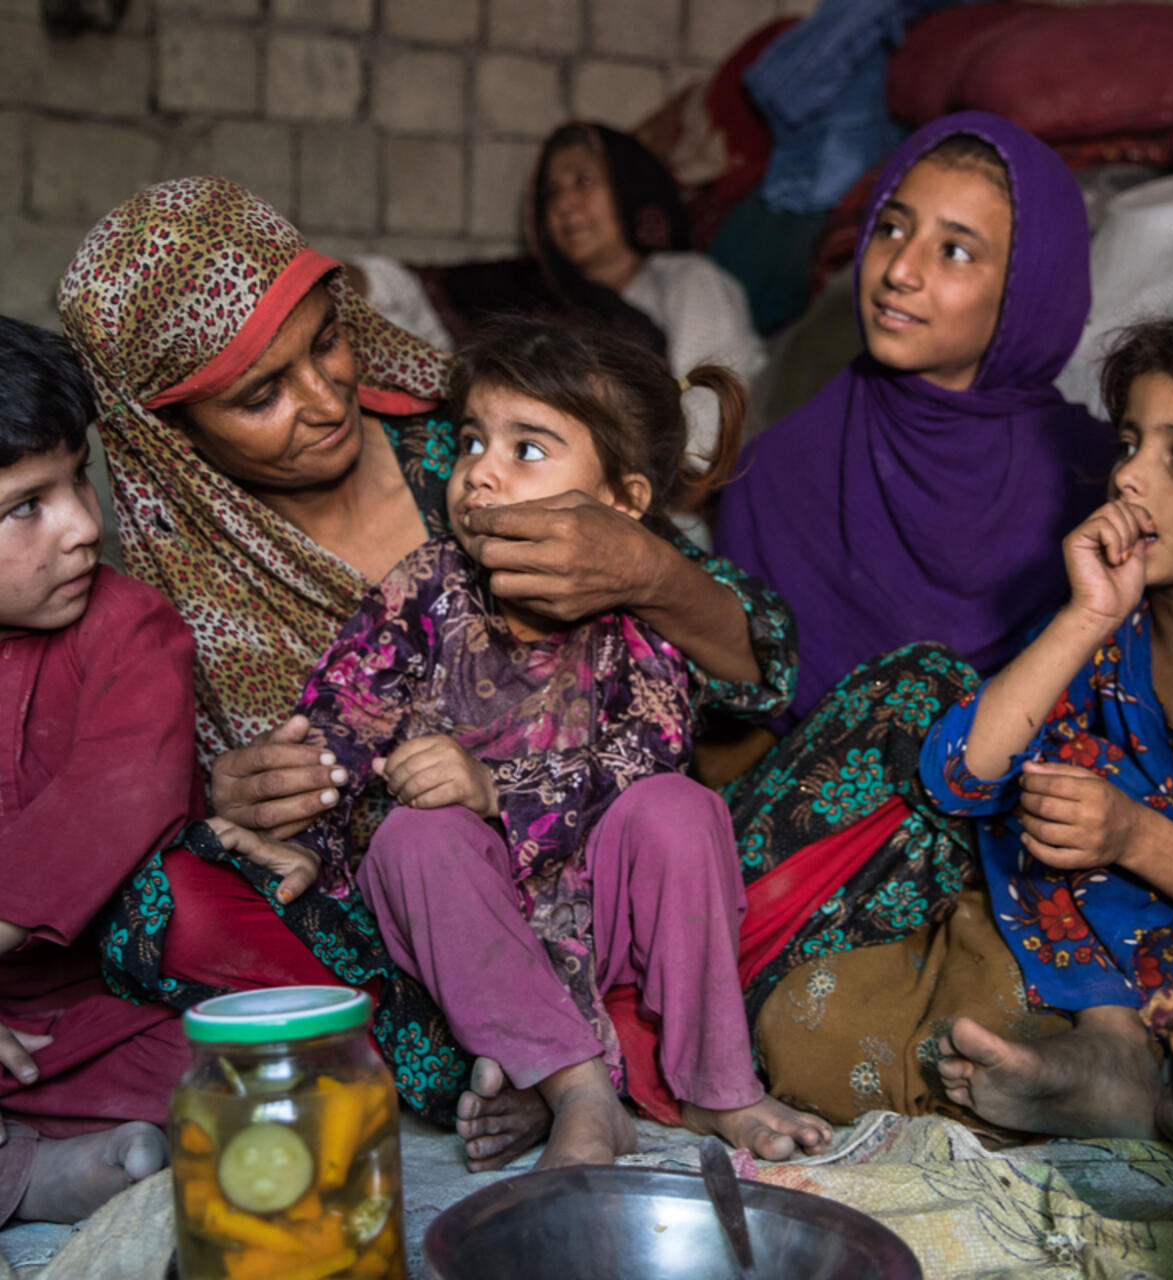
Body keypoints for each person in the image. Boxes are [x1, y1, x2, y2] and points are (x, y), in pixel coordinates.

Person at [56, 177, 797, 1169]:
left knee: (694, 808)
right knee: (192, 892)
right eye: (260, 393)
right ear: (169, 430)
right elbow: (345, 715)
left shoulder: (479, 440)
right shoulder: (280, 580)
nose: (325, 397)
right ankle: (563, 1068)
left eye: (326, 340)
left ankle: (656, 1072)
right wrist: (261, 819)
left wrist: (647, 574)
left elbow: (703, 708)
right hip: (433, 904)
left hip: (614, 873)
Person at [258, 317, 830, 1168]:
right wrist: (298, 826)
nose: (480, 471)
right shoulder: (425, 589)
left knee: (679, 808)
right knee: (415, 838)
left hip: (605, 916)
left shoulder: (639, 611)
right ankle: (580, 1094)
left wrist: (496, 791)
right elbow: (343, 715)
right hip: (471, 930)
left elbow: (645, 754)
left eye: (528, 449)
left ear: (625, 504)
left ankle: (720, 1086)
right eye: (472, 441)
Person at [922, 294, 1173, 1137]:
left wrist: (1136, 839)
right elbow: (959, 775)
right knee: (1042, 759)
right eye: (1130, 442)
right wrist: (1086, 616)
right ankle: (1114, 1051)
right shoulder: (1114, 631)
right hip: (1126, 977)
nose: (1127, 477)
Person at [715, 111, 1113, 731]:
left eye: (955, 251)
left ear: (1030, 287)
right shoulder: (773, 476)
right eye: (891, 229)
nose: (899, 271)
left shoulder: (1098, 481)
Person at [0, 316, 190, 1224]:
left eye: (79, 476)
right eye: (25, 506)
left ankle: (40, 1165)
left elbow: (117, 797)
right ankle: (32, 1177)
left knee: (234, 1077)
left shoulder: (131, 628)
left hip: (96, 1017)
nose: (85, 525)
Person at [352, 121, 766, 483]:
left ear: (628, 188)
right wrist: (342, 279)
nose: (565, 204)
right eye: (552, 193)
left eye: (583, 181)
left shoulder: (687, 281)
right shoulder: (523, 291)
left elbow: (706, 436)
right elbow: (417, 306)